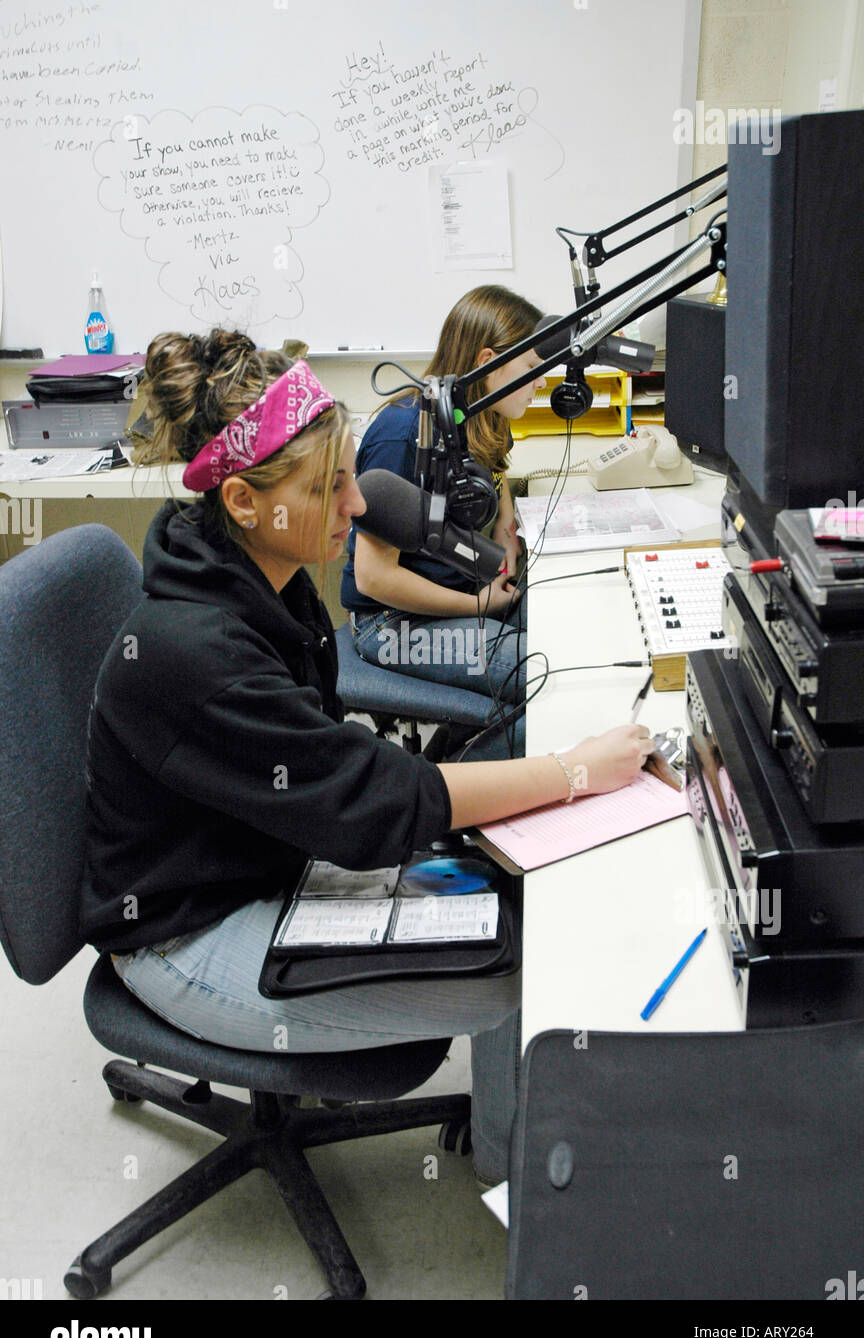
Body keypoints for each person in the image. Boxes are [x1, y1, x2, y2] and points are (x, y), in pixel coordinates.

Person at [80, 328, 653, 1185]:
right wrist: (574, 773)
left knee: (501, 901)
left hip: (261, 853)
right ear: (243, 501)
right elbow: (370, 802)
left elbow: (338, 774)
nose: (357, 505)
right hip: (183, 936)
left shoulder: (259, 573)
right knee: (508, 977)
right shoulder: (196, 653)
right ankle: (521, 1185)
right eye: (330, 485)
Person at [340, 286, 546, 749]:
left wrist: (506, 536)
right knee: (548, 671)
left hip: (471, 589)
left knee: (572, 629)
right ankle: (454, 794)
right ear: (489, 360)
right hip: (392, 624)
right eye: (532, 370)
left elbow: (497, 477)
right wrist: (483, 606)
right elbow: (375, 579)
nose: (541, 383)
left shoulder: (482, 415)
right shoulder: (401, 435)